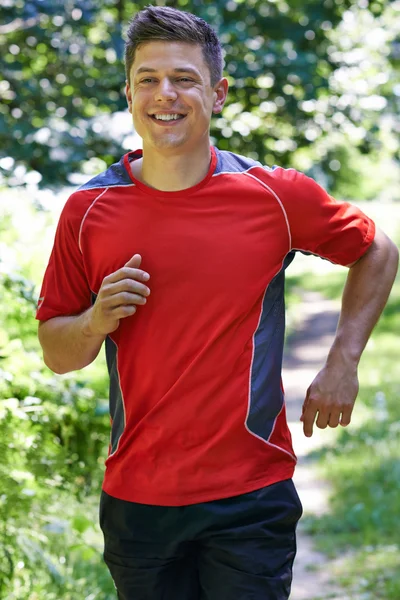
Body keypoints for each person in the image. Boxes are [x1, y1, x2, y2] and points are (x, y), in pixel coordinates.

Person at [36, 5, 399, 600]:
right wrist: (97, 319)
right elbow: (57, 353)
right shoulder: (88, 211)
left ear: (218, 92)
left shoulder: (273, 196)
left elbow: (375, 249)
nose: (165, 94)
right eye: (148, 79)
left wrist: (343, 362)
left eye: (184, 78)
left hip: (249, 493)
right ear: (128, 93)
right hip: (137, 496)